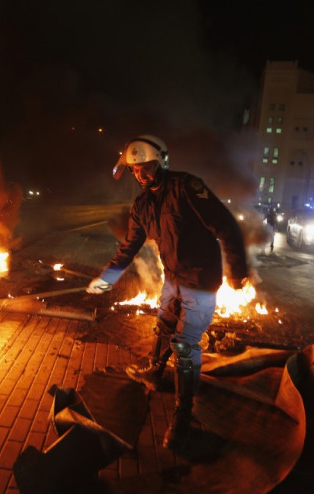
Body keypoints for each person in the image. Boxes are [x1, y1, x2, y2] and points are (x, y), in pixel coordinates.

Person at [86, 134, 249, 450]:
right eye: (135, 170)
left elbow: (226, 226)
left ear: (160, 162)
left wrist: (238, 271)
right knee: (163, 324)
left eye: (145, 167)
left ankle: (182, 419)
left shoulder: (187, 187)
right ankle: (154, 371)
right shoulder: (143, 205)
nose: (140, 175)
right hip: (173, 278)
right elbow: (128, 248)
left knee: (186, 347)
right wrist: (106, 279)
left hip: (201, 281)